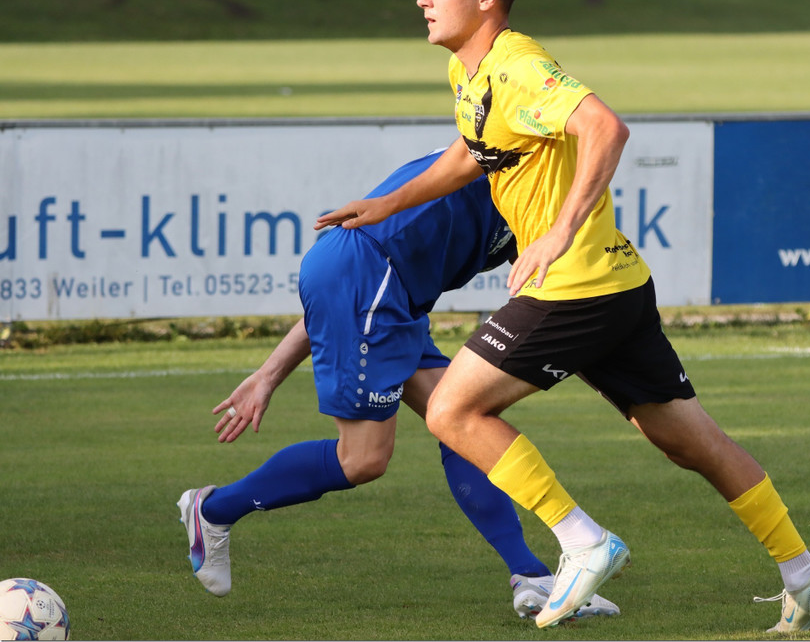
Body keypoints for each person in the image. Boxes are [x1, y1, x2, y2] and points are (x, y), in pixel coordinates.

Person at [314, 0, 810, 632]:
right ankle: (805, 573)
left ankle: (583, 541)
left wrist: (558, 232)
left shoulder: (518, 66)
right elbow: (472, 151)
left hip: (573, 288)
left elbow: (605, 127)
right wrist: (388, 203)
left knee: (451, 409)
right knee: (691, 441)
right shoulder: (470, 72)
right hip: (617, 284)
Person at [176, 150, 620, 622]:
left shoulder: (540, 200)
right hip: (372, 280)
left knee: (465, 421)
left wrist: (268, 374)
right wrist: (270, 375)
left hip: (390, 294)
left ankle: (531, 576)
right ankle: (214, 510)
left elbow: (556, 298)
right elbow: (353, 274)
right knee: (364, 459)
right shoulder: (498, 155)